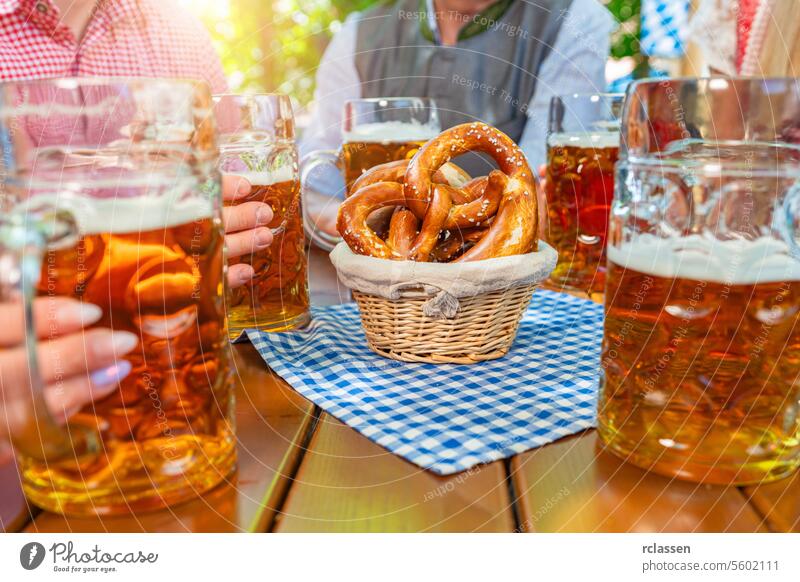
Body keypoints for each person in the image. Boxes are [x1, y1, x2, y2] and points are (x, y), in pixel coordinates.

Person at [0, 0, 269, 450]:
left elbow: (233, 179)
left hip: (184, 393)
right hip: (33, 442)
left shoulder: (180, 28)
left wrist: (220, 234)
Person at [0, 0, 274, 289]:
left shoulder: (180, 31)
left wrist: (212, 227)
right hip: (35, 316)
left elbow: (235, 179)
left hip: (174, 311)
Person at [300, 0, 614, 235]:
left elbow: (537, 194)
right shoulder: (358, 34)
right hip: (375, 300)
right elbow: (317, 182)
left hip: (505, 300)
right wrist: (356, 234)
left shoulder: (573, 19)